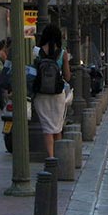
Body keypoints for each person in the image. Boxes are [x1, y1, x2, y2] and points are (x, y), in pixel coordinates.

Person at [33, 24, 71, 158]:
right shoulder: (63, 53)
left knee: (47, 128)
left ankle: (51, 157)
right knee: (57, 127)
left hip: (41, 94)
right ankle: (60, 157)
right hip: (57, 93)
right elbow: (67, 76)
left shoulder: (36, 52)